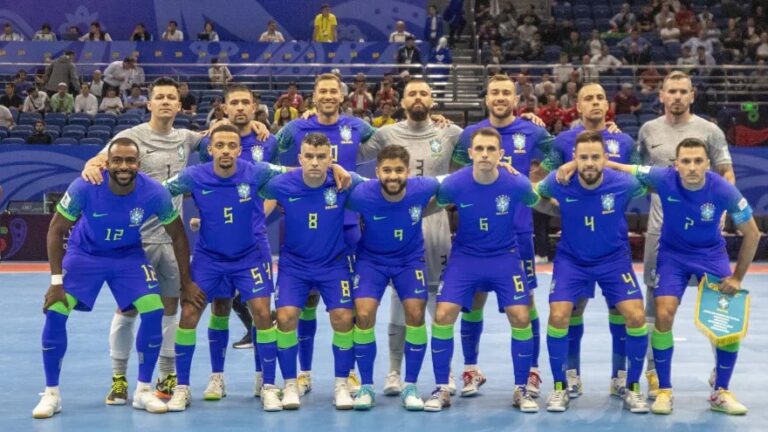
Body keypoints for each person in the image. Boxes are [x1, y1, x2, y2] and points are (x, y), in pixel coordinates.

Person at [80, 77, 267, 406]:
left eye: (171, 97)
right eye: (159, 97)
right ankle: (119, 378)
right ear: (149, 103)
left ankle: (167, 375)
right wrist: (91, 164)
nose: (165, 101)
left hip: (167, 240)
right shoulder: (129, 137)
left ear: (179, 105)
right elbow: (100, 161)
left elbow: (222, 139)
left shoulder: (187, 138)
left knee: (170, 309)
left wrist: (257, 128)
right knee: (128, 309)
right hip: (133, 241)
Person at [32, 137, 198, 418]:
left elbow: (178, 235)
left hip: (128, 256)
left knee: (154, 309)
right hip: (85, 255)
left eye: (130, 161)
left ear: (139, 164)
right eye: (117, 161)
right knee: (56, 311)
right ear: (106, 164)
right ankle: (52, 394)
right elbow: (55, 230)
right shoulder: (86, 186)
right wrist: (56, 282)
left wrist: (187, 281)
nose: (124, 166)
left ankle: (143, 390)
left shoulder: (154, 192)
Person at [607, 139, 759, 415]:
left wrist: (737, 277)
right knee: (664, 314)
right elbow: (621, 167)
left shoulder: (723, 190)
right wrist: (573, 165)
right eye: (685, 161)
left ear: (707, 164)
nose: (691, 167)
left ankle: (721, 391)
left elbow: (753, 233)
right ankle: (664, 390)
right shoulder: (663, 178)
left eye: (698, 161)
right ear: (675, 165)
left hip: (711, 255)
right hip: (673, 256)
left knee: (728, 324)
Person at [163, 125, 286, 412]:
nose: (227, 150)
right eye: (221, 145)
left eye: (232, 145)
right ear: (211, 150)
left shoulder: (257, 171)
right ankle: (192, 384)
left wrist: (337, 170)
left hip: (250, 256)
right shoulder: (194, 176)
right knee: (191, 313)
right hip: (209, 258)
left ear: (239, 150)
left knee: (261, 314)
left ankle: (266, 383)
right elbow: (157, 190)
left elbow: (298, 171)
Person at [424, 127, 541, 412]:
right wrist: (396, 210)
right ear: (471, 153)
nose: (485, 154)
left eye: (491, 149)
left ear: (501, 154)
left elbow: (544, 202)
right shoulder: (454, 183)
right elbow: (428, 206)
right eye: (480, 149)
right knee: (443, 314)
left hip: (504, 256)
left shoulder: (517, 183)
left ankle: (521, 389)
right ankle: (442, 388)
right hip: (465, 257)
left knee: (521, 315)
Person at [358, 79, 463, 396]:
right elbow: (348, 148)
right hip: (394, 221)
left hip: (435, 222)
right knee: (398, 296)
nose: (419, 97)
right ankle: (393, 371)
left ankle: (446, 372)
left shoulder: (451, 133)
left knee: (437, 299)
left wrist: (530, 117)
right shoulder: (385, 134)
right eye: (412, 93)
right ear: (401, 102)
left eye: (424, 93)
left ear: (433, 100)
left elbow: (491, 140)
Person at [451, 74, 553, 398]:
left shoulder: (533, 130)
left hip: (518, 232)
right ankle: (471, 369)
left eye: (505, 93)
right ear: (486, 98)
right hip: (475, 235)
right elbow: (456, 169)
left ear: (516, 98)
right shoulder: (470, 134)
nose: (499, 97)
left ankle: (532, 371)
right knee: (473, 302)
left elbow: (555, 158)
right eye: (494, 92)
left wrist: (533, 177)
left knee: (526, 305)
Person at [275, 74, 377, 394]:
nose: (329, 95)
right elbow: (268, 154)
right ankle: (302, 373)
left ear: (342, 96)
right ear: (313, 96)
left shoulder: (358, 126)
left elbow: (387, 138)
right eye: (323, 91)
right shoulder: (295, 128)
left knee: (348, 308)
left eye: (334, 91)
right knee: (303, 302)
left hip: (345, 226)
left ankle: (348, 375)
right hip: (304, 223)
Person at [636, 70, 735, 399]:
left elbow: (726, 172)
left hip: (706, 239)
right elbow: (637, 173)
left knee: (718, 304)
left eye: (683, 91)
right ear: (661, 96)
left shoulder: (710, 131)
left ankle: (719, 375)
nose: (677, 96)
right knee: (657, 307)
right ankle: (653, 372)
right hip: (661, 237)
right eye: (671, 91)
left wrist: (723, 212)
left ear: (692, 95)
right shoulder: (648, 130)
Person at [536, 131, 650, 413]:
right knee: (559, 315)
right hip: (572, 260)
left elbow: (655, 179)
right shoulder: (559, 181)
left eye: (595, 157)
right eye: (582, 157)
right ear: (574, 158)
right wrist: (555, 209)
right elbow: (531, 194)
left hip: (614, 260)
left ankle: (632, 387)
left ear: (605, 159)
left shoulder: (624, 183)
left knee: (636, 316)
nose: (589, 163)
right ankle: (561, 386)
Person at [259, 133, 360, 409]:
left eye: (321, 157)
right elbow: (253, 182)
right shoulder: (282, 184)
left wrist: (342, 171)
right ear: (300, 158)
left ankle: (341, 384)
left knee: (343, 316)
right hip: (295, 266)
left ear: (330, 159)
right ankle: (290, 384)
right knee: (286, 316)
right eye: (309, 157)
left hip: (333, 264)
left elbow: (385, 186)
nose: (315, 162)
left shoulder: (343, 183)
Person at [346, 145, 440, 410]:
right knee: (363, 315)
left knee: (415, 314)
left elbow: (458, 181)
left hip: (409, 261)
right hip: (371, 261)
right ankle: (366, 386)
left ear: (408, 172)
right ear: (377, 172)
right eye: (386, 170)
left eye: (399, 170)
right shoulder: (362, 192)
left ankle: (410, 385)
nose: (393, 176)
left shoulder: (424, 187)